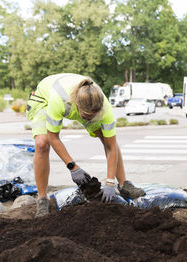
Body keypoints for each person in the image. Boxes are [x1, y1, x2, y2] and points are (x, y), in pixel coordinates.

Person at [26, 73, 145, 218]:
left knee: (107, 139)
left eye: (93, 116)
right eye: (87, 116)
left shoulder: (103, 107)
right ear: (77, 106)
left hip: (84, 104)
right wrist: (73, 167)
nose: (90, 119)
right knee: (42, 143)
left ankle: (124, 184)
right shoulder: (59, 99)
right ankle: (42, 198)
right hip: (44, 99)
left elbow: (111, 146)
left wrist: (109, 182)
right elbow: (53, 137)